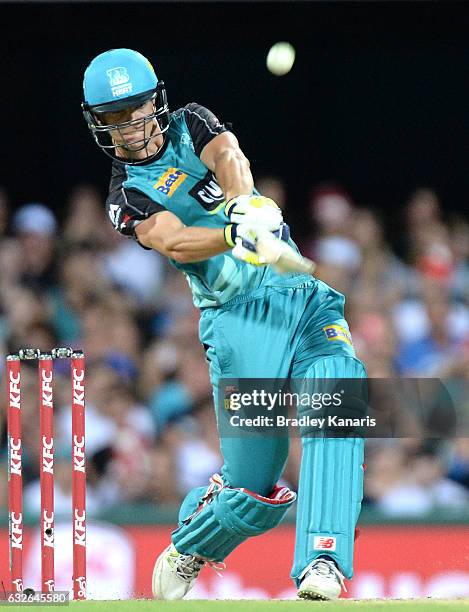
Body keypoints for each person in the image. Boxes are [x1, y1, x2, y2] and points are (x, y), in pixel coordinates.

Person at [82, 48, 366, 601]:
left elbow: (229, 153)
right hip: (239, 326)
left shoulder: (191, 121)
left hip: (300, 299)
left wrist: (245, 206)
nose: (128, 126)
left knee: (338, 397)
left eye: (135, 109)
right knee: (254, 487)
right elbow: (171, 238)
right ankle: (195, 539)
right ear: (98, 125)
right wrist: (232, 236)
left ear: (155, 102)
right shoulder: (126, 195)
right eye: (113, 118)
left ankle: (324, 558)